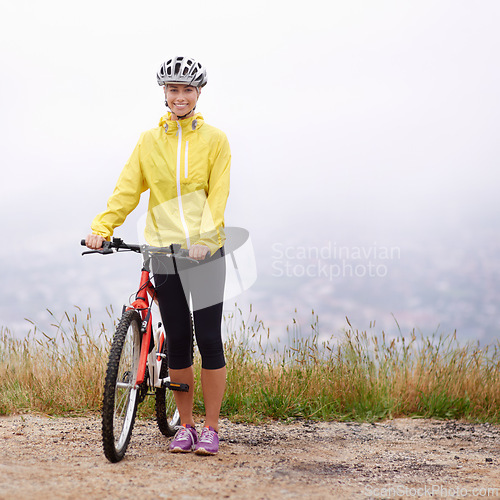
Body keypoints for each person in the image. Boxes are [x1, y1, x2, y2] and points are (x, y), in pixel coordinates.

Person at [85, 56, 231, 456]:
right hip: (162, 250)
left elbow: (217, 196)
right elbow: (127, 189)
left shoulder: (215, 140)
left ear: (198, 93)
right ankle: (185, 427)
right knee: (179, 340)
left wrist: (204, 237)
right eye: (172, 89)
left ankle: (212, 428)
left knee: (210, 339)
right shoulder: (149, 141)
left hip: (204, 253)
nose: (179, 96)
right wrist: (103, 227)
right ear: (164, 94)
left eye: (187, 89)